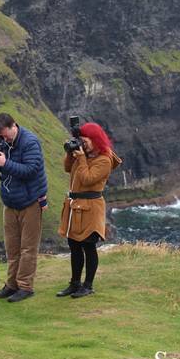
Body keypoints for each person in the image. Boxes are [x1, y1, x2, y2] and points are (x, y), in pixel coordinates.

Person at [0, 112, 48, 303]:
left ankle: (25, 286)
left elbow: (30, 170)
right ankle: (12, 285)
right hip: (10, 202)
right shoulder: (3, 142)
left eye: (6, 134)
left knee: (28, 248)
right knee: (12, 247)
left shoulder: (30, 142)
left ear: (14, 126)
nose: (4, 139)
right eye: (1, 136)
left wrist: (5, 163)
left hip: (30, 202)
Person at [57, 122, 122, 298]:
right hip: (75, 206)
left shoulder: (104, 160)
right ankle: (74, 283)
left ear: (95, 140)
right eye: (81, 141)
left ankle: (88, 285)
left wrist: (81, 158)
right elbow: (67, 168)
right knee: (74, 245)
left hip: (90, 208)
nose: (83, 145)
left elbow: (87, 179)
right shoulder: (82, 155)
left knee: (88, 246)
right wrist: (71, 153)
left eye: (85, 142)